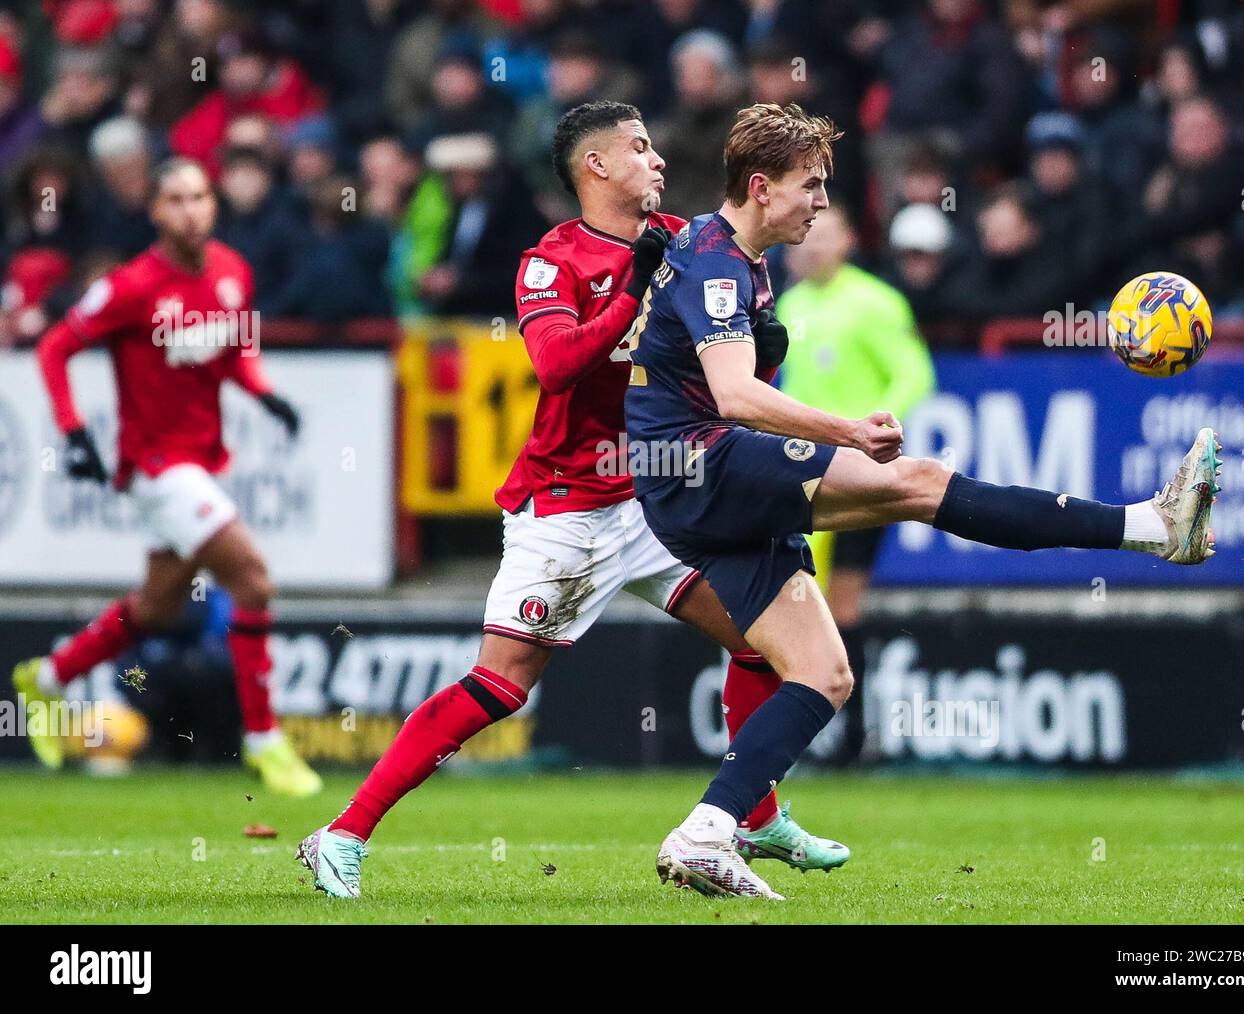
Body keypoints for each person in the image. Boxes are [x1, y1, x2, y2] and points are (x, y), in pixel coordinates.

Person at [625, 103, 1222, 899]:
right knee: (921, 484)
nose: (823, 203)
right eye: (811, 185)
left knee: (824, 674)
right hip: (700, 466)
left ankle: (706, 832)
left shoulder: (727, 252)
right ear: (761, 188)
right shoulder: (721, 264)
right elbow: (734, 395)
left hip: (684, 480)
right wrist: (846, 431)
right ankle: (1150, 526)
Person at [296, 101, 848, 899]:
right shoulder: (551, 262)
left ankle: (751, 819)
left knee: (763, 639)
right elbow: (555, 365)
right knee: (501, 685)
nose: (658, 160)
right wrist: (633, 292)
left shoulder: (689, 245)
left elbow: (723, 366)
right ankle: (342, 834)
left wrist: (760, 343)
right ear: (597, 166)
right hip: (570, 505)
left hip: (655, 496)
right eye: (640, 147)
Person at [14, 158, 323, 798]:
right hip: (156, 467)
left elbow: (234, 352)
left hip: (201, 460)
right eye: (176, 200)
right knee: (253, 580)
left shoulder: (232, 271)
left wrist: (264, 394)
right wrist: (73, 433)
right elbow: (54, 347)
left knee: (158, 607)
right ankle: (264, 740)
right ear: (155, 211)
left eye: (200, 197)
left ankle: (45, 678)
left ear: (214, 204)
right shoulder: (130, 287)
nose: (191, 211)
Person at [777, 204, 935, 629]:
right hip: (801, 467)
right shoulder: (789, 304)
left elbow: (915, 374)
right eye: (809, 235)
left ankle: (850, 675)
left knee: (843, 603)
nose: (814, 247)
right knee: (797, 596)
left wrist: (874, 427)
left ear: (848, 241)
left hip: (860, 468)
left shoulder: (876, 302)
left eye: (826, 236)